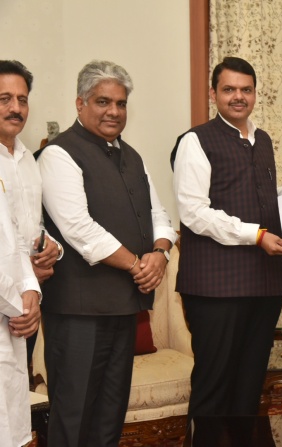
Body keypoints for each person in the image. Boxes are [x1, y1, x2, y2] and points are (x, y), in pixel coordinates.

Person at [38, 60, 177, 446]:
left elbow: (159, 215)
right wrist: (137, 264)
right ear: (80, 104)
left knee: (109, 416)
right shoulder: (58, 154)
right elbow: (79, 229)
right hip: (77, 313)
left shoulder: (133, 156)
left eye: (121, 103)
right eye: (103, 102)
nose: (113, 111)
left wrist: (161, 254)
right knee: (74, 415)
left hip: (124, 308)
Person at [172, 56, 282, 422]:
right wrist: (257, 235)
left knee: (250, 387)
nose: (238, 97)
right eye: (229, 89)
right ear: (213, 93)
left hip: (263, 284)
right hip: (215, 287)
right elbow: (194, 212)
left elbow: (258, 198)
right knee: (213, 384)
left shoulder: (262, 139)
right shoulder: (196, 141)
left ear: (255, 93)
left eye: (246, 90)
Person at [0, 63, 42, 447]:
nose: (16, 108)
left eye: (22, 100)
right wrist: (21, 298)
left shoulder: (30, 159)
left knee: (15, 409)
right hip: (8, 301)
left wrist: (51, 251)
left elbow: (32, 228)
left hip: (28, 303)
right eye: (5, 99)